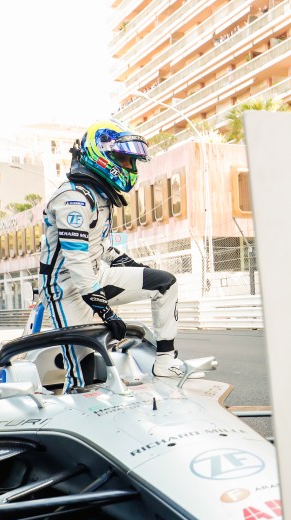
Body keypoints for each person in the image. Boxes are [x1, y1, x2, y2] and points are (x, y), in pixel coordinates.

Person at [40, 119, 183, 391]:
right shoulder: (72, 198)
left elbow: (97, 246)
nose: (130, 168)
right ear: (101, 155)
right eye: (124, 159)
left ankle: (165, 362)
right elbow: (77, 260)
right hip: (65, 289)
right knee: (82, 374)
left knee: (164, 283)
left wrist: (124, 261)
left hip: (97, 276)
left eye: (132, 162)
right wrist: (106, 312)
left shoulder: (98, 196)